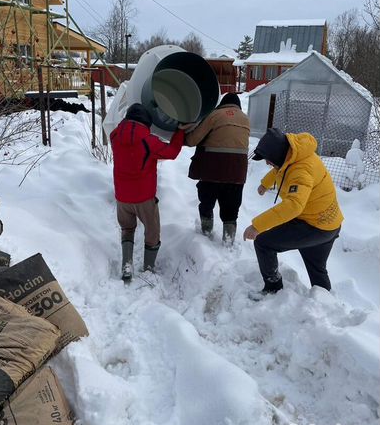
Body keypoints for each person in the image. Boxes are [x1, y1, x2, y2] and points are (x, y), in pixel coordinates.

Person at [243, 128, 343, 295]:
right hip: (330, 223)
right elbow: (280, 169)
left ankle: (273, 288)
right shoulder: (295, 153)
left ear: (277, 155)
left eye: (269, 159)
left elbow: (293, 206)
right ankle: (325, 303)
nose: (267, 163)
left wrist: (256, 226)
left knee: (263, 243)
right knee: (316, 268)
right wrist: (265, 183)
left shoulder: (301, 171)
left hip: (314, 225)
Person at [110, 103, 186, 282]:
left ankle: (127, 264)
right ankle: (148, 269)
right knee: (152, 232)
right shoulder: (149, 141)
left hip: (122, 197)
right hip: (144, 197)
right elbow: (172, 152)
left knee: (127, 229)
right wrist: (180, 132)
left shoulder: (114, 136)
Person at [184, 92, 250, 244]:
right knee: (231, 207)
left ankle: (206, 235)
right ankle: (229, 240)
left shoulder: (215, 115)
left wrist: (182, 137)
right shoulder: (245, 119)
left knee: (207, 202)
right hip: (237, 172)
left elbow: (194, 139)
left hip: (212, 169)